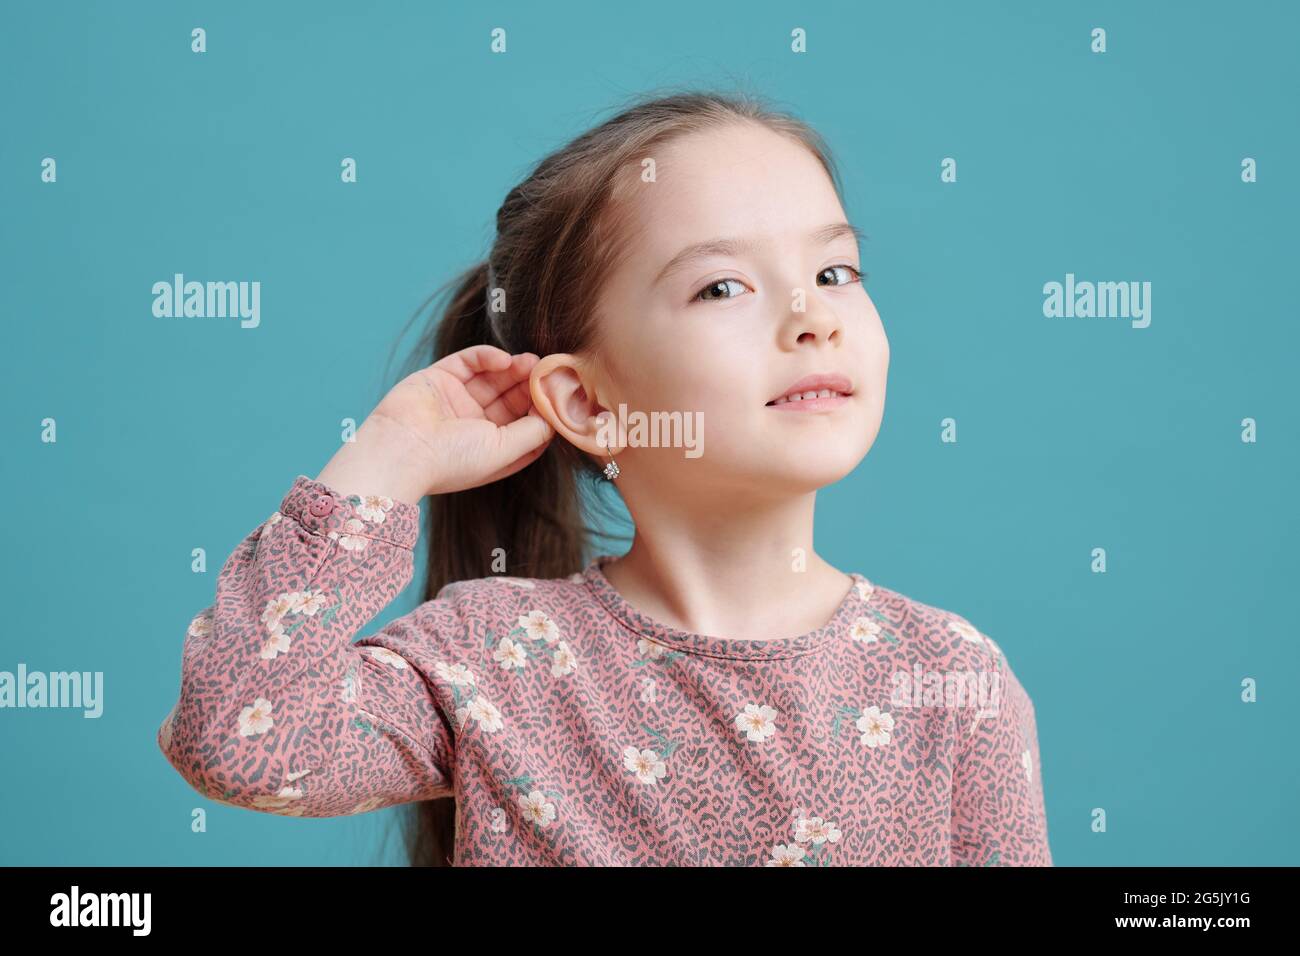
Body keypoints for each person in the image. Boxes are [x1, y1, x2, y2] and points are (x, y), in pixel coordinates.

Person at [156, 88, 1052, 867]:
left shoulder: (947, 676)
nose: (812, 316)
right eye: (723, 288)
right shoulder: (496, 663)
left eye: (835, 269)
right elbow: (237, 735)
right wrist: (388, 460)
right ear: (586, 403)